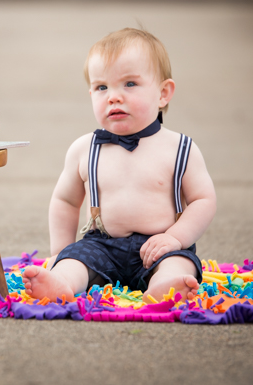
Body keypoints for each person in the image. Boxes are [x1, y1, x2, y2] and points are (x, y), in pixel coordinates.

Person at [22, 28, 216, 303]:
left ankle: (165, 286)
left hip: (158, 245)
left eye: (129, 84)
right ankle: (62, 282)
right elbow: (65, 201)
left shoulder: (180, 148)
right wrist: (61, 251)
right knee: (76, 261)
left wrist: (175, 238)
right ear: (91, 93)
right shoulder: (85, 148)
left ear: (163, 93)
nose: (113, 96)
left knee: (179, 264)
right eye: (102, 87)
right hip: (100, 245)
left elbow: (203, 200)